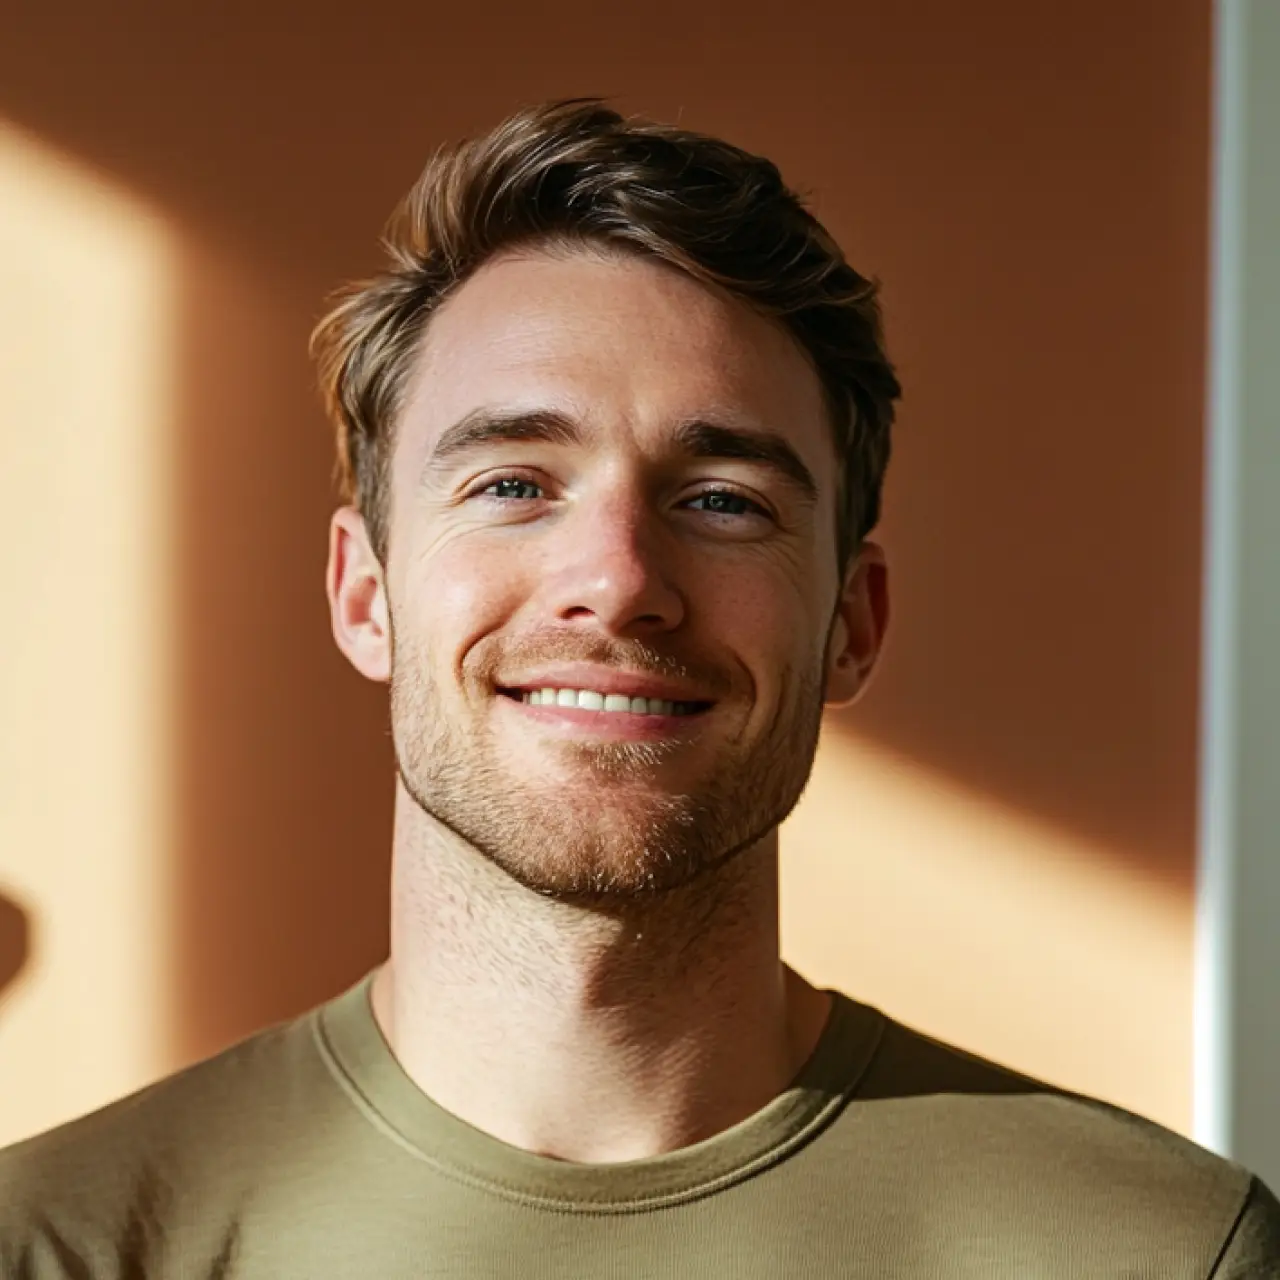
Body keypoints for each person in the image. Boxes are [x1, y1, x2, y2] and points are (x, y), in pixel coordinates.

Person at [1, 97, 1277, 1279]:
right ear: (363, 592)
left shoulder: (1156, 1255)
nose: (615, 582)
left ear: (852, 622)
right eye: (511, 484)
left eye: (722, 501)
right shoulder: (56, 1244)